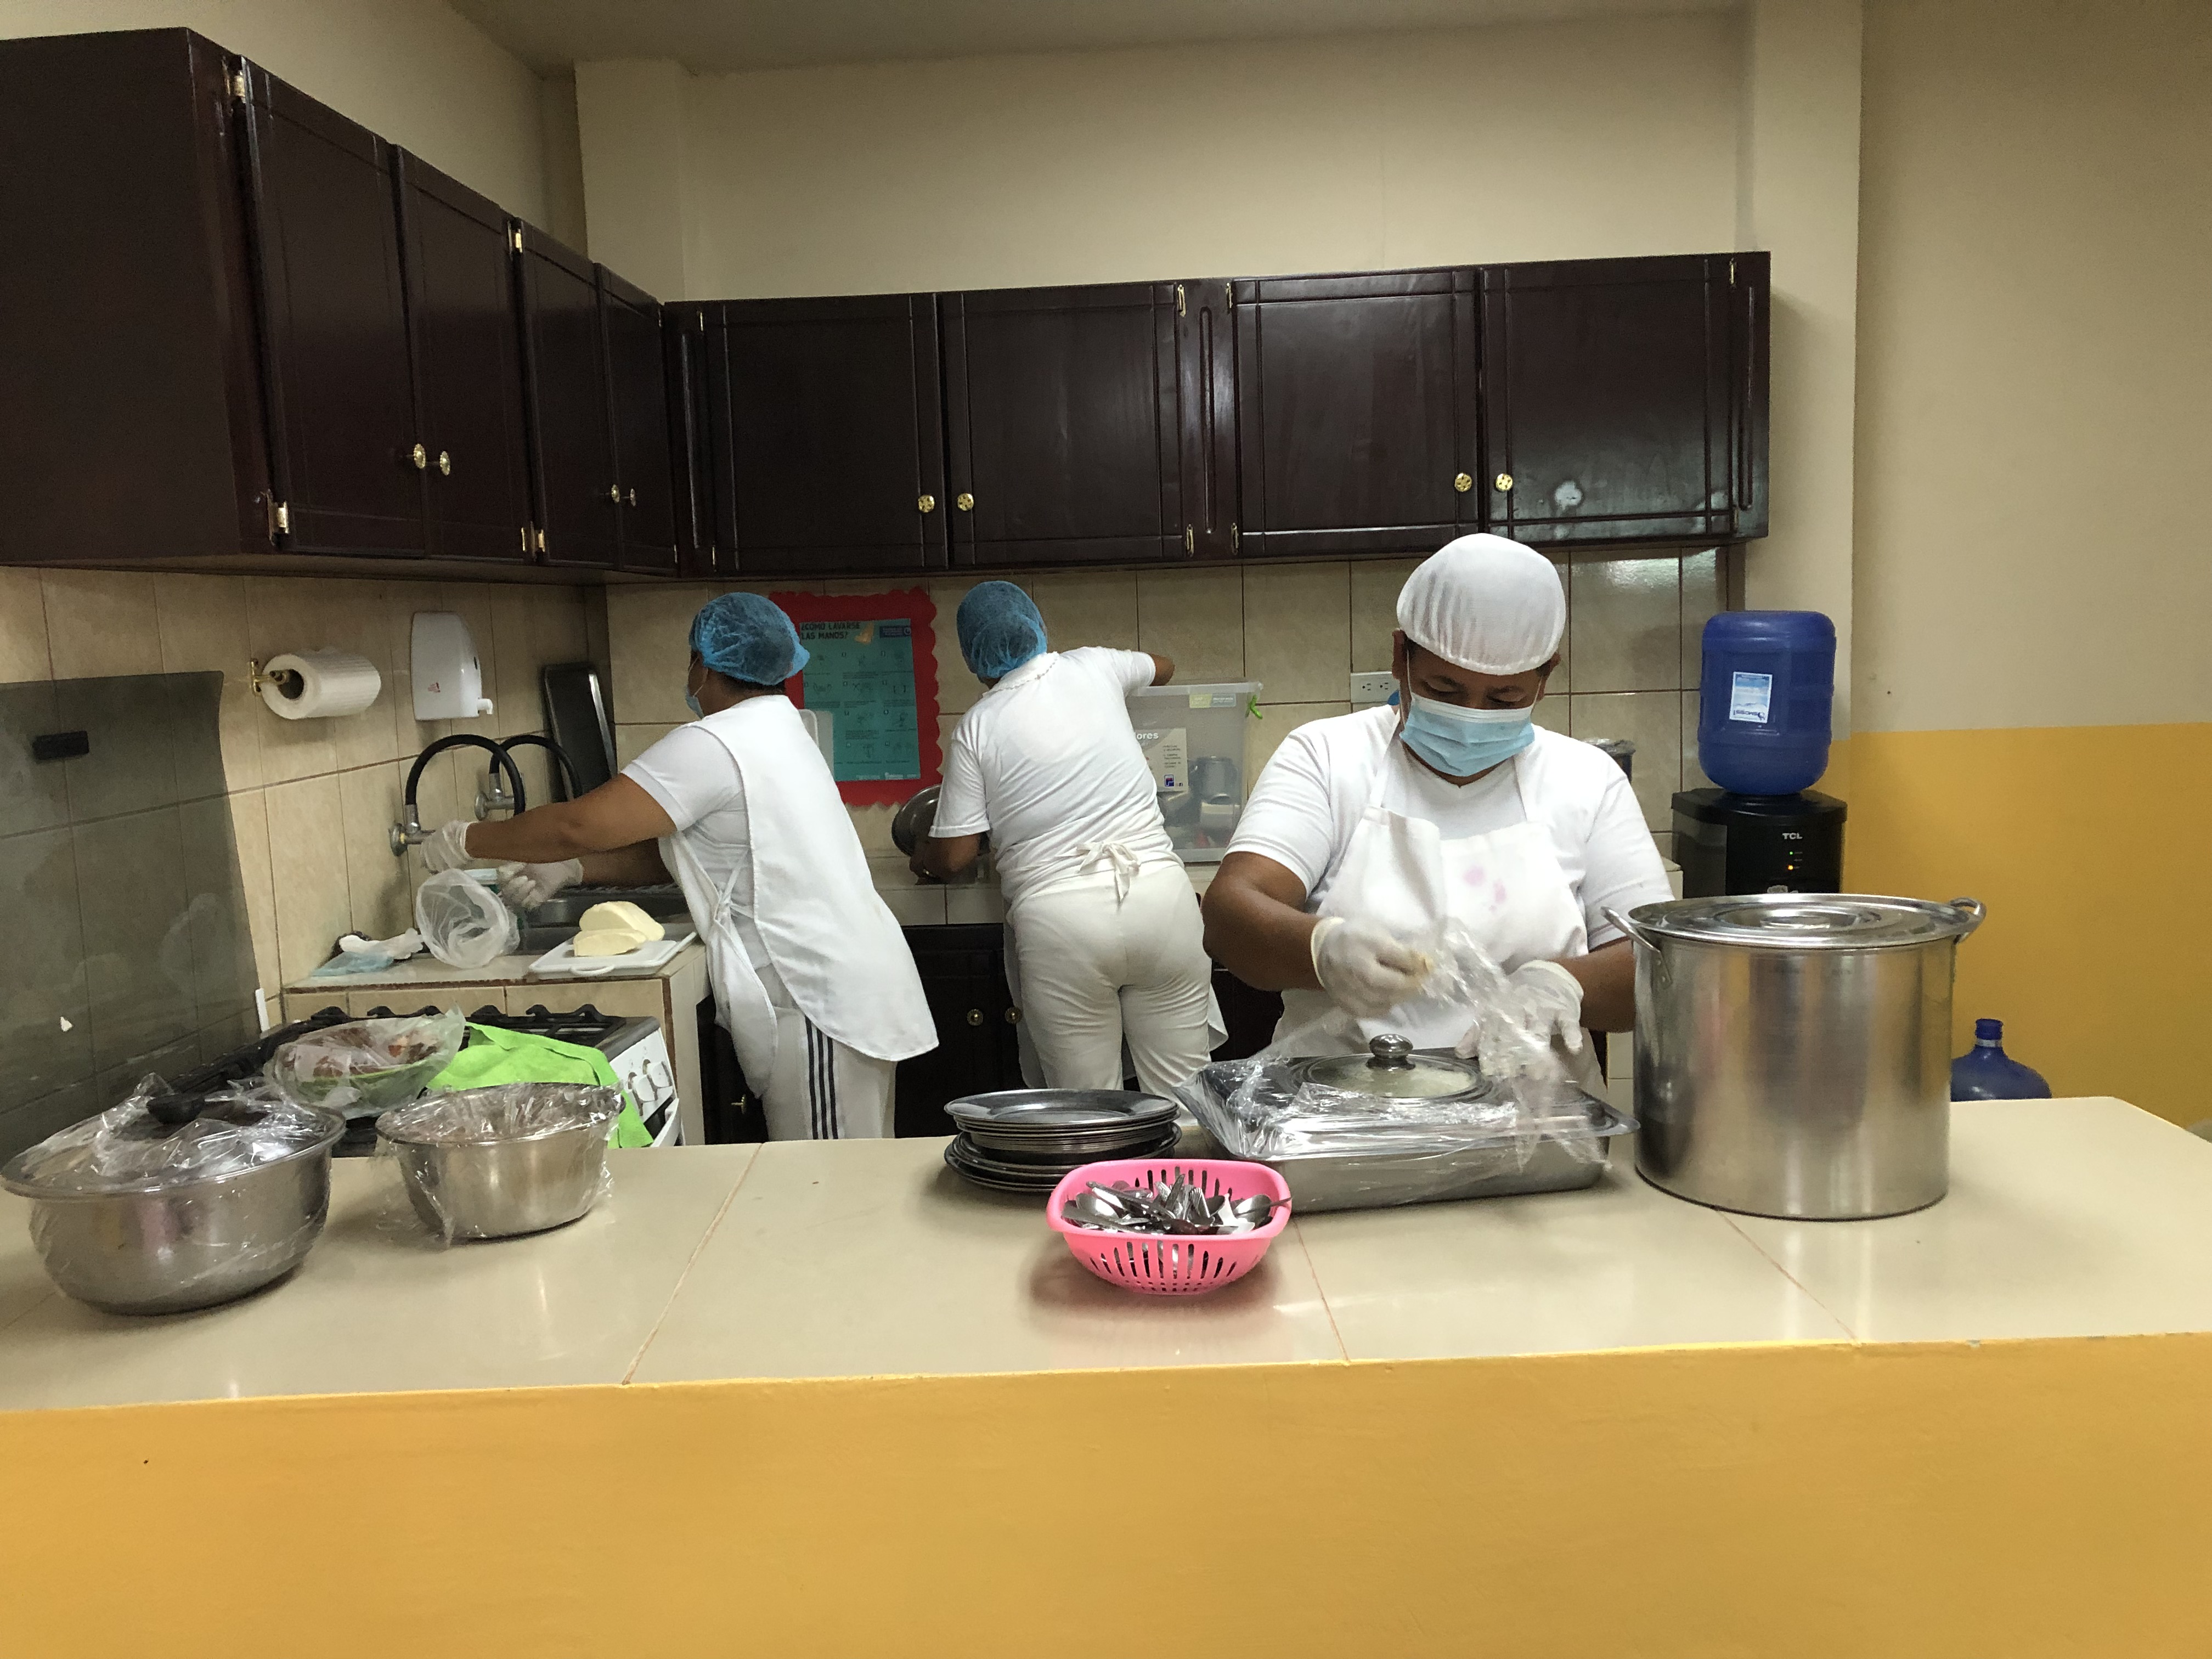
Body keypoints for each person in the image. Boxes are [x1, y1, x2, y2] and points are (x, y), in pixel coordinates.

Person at [421, 592, 934, 1139]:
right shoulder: (778, 729)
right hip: (837, 986)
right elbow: (691, 851)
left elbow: (579, 824)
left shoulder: (716, 743)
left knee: (822, 1175)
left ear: (705, 665)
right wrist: (574, 869)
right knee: (840, 1168)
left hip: (815, 998)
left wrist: (466, 840)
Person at [1199, 534, 1673, 1071]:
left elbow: (1654, 966)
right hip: (1342, 1103)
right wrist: (1321, 949)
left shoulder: (1587, 780)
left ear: (1545, 678)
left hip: (1534, 1113)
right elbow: (1230, 913)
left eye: (1504, 698)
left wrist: (1564, 985)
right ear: (1400, 656)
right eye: (1444, 690)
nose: (1472, 716)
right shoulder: (1328, 757)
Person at [912, 582, 1218, 1096]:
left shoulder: (977, 726)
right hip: (1160, 900)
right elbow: (1164, 667)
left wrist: (927, 855)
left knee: (1087, 1110)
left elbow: (956, 854)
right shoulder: (1095, 665)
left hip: (1061, 924)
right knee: (1186, 1097)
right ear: (1038, 627)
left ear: (973, 659)